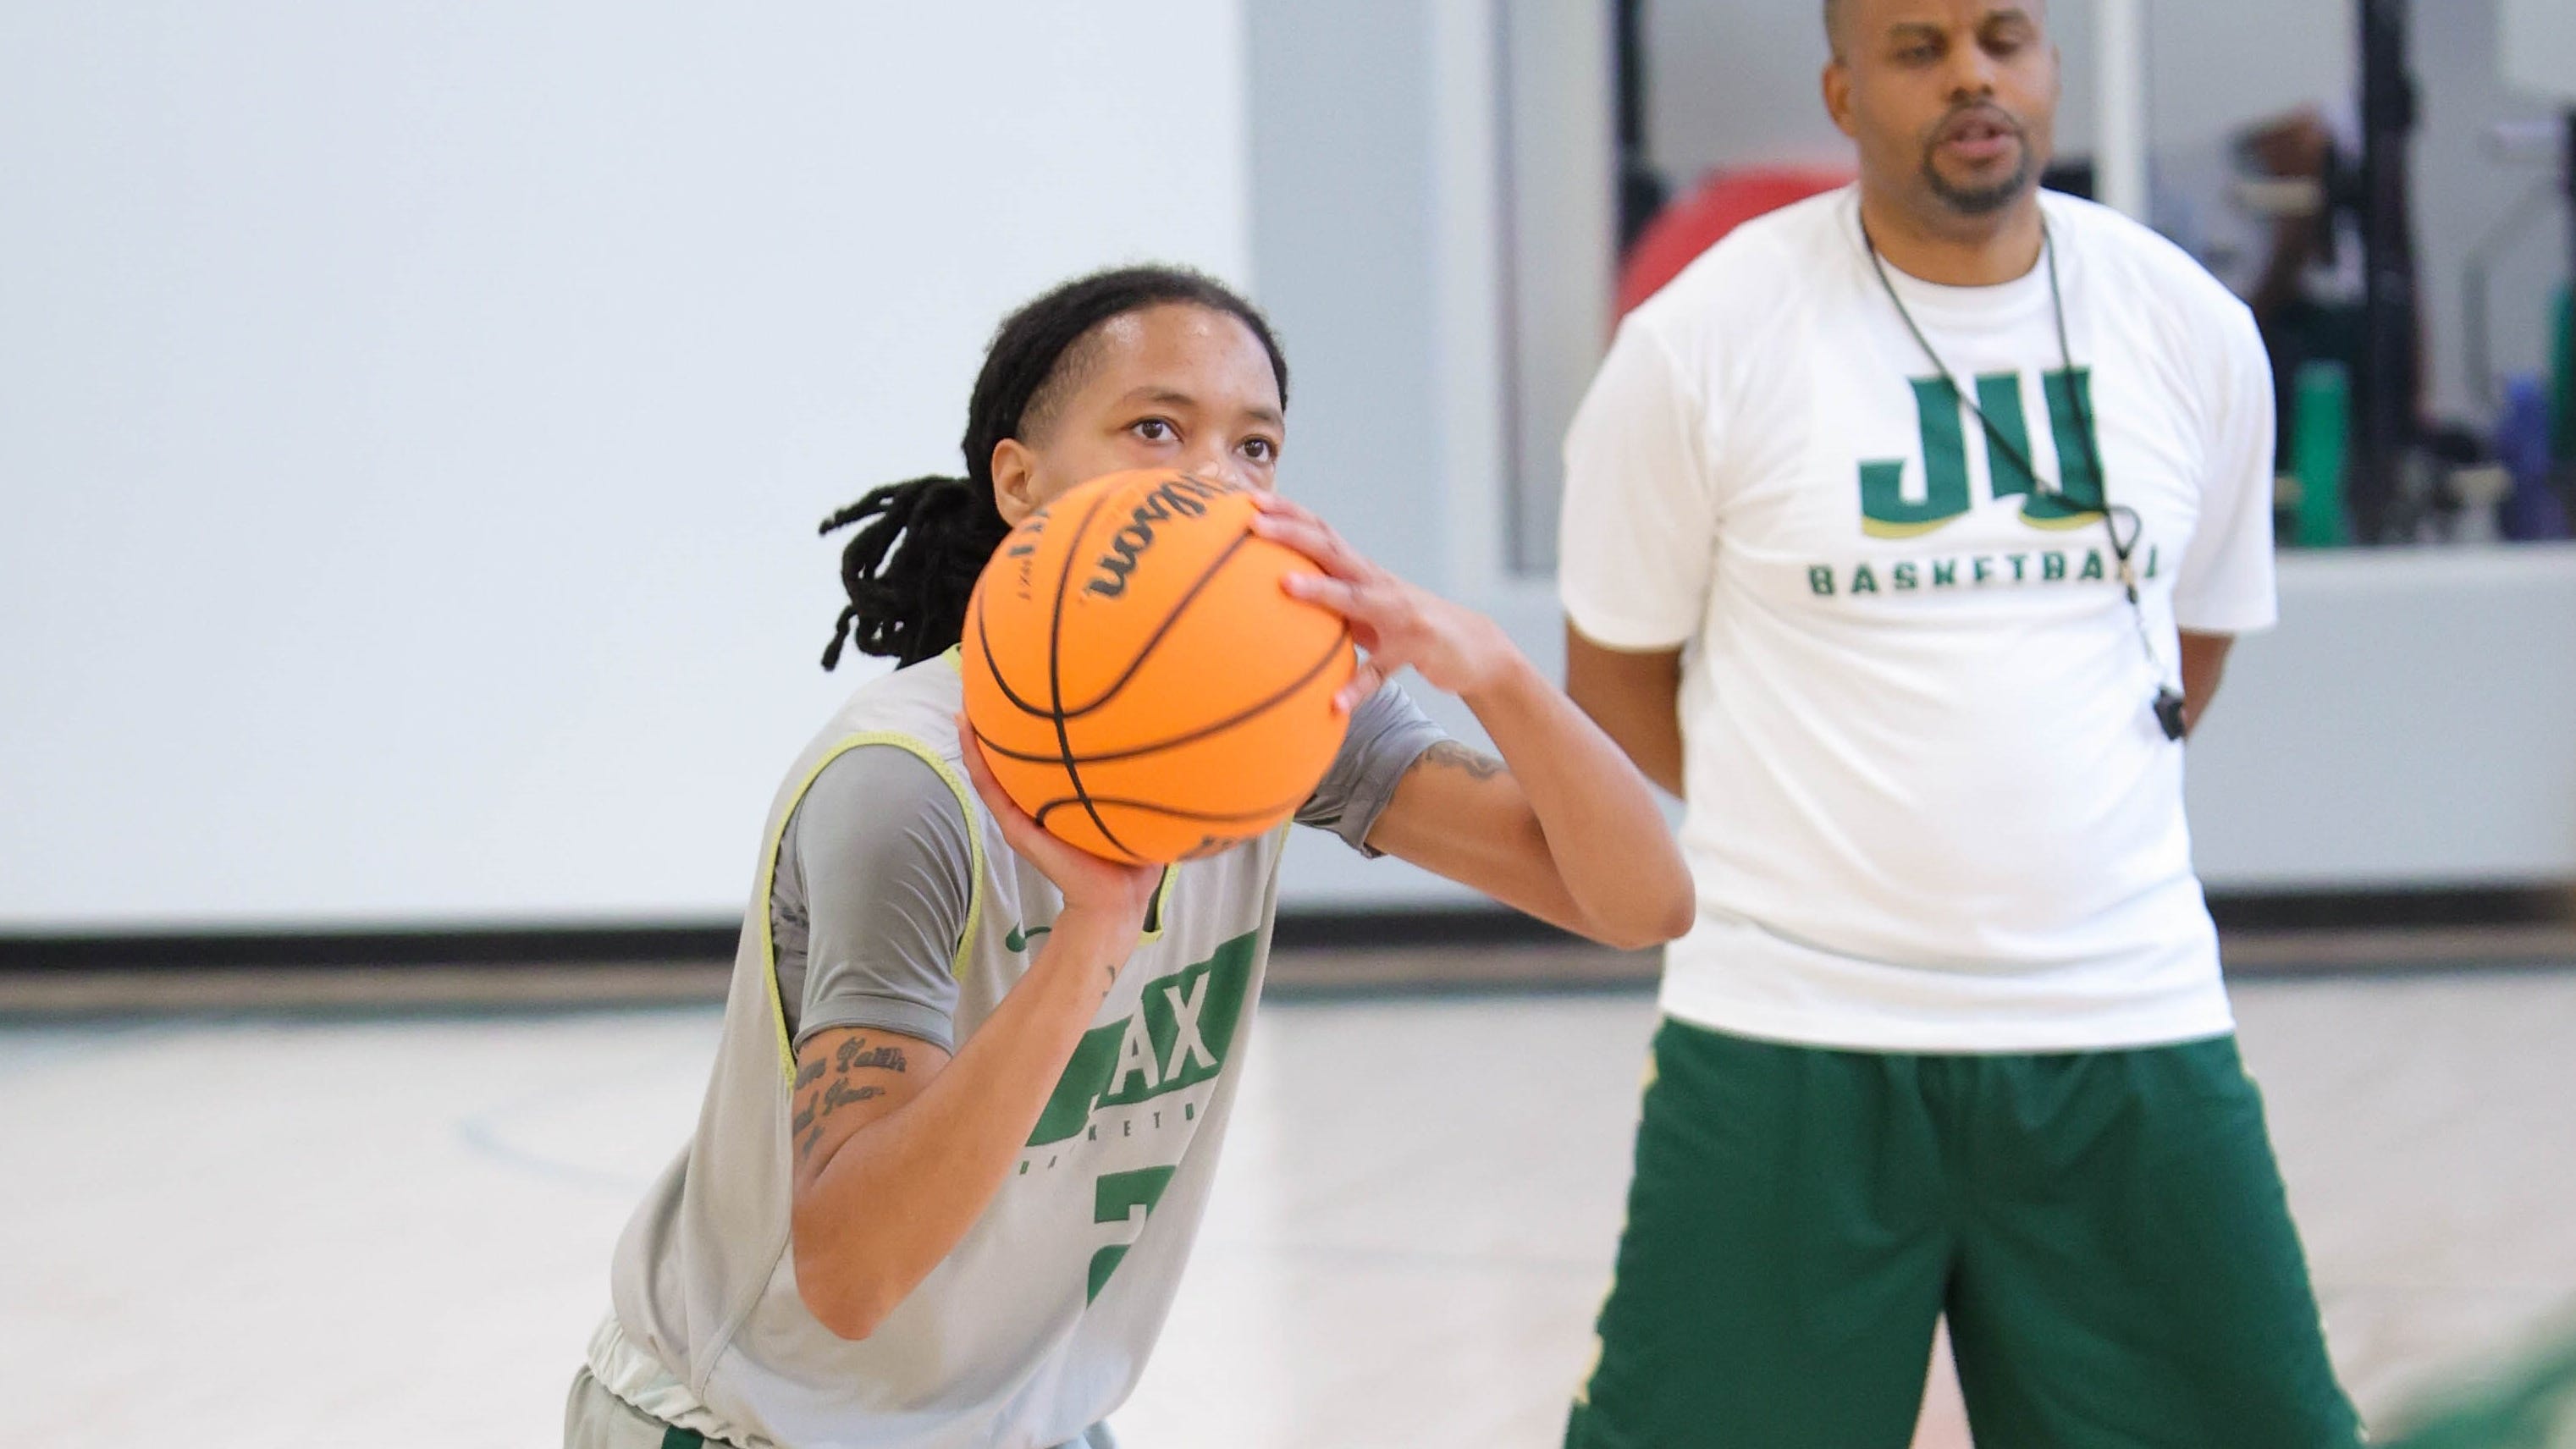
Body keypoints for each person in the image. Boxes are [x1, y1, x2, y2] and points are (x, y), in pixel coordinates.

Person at [564, 265, 1692, 1449]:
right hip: (750, 1431)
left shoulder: (1277, 729)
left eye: (1255, 447)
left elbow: (1639, 903)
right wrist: (1092, 938)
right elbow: (852, 1279)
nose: (1216, 478)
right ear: (1020, 482)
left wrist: (1495, 670)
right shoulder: (904, 789)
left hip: (1027, 1426)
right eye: (1157, 428)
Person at [1554, 2, 2361, 1446]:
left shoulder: (2187, 326)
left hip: (2125, 1018)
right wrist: (1804, 816)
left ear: (2050, 68)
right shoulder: (1698, 346)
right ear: (1842, 92)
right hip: (1788, 1030)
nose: (1973, 75)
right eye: (1920, 49)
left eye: (2004, 38)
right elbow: (1612, 687)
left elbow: (2187, 651)